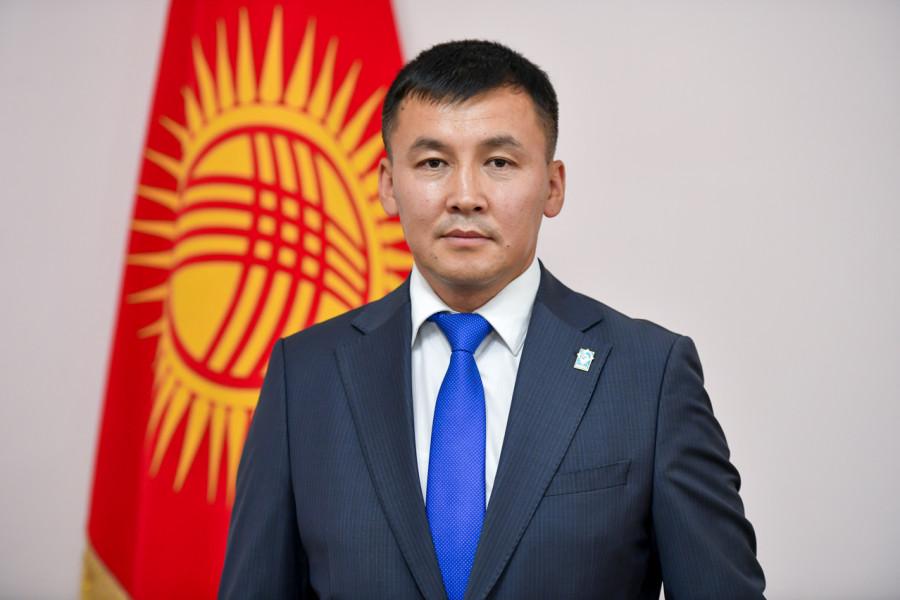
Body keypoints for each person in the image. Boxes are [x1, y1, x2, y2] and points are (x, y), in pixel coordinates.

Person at [218, 40, 766, 599]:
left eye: (499, 162)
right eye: (433, 163)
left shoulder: (649, 374)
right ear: (388, 184)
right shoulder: (304, 374)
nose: (465, 196)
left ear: (552, 186)